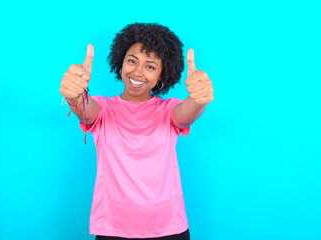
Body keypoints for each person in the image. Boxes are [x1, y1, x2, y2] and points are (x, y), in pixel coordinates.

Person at [59, 23, 214, 240]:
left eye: (150, 66)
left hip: (168, 228)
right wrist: (74, 93)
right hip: (113, 229)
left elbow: (187, 112)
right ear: (120, 64)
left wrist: (199, 98)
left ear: (161, 75)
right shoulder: (103, 109)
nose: (138, 72)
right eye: (132, 61)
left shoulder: (169, 110)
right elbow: (84, 108)